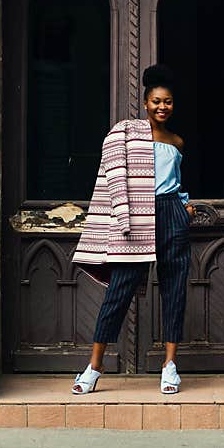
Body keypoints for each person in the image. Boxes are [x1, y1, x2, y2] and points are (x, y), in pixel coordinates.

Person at [70, 64, 194, 394]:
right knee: (120, 290)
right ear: (145, 103)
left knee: (175, 290)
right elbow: (114, 173)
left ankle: (170, 367)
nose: (162, 107)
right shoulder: (127, 132)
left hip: (171, 215)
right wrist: (122, 215)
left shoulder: (177, 141)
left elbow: (176, 182)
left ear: (173, 104)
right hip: (137, 216)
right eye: (156, 101)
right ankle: (94, 367)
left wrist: (185, 206)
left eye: (167, 102)